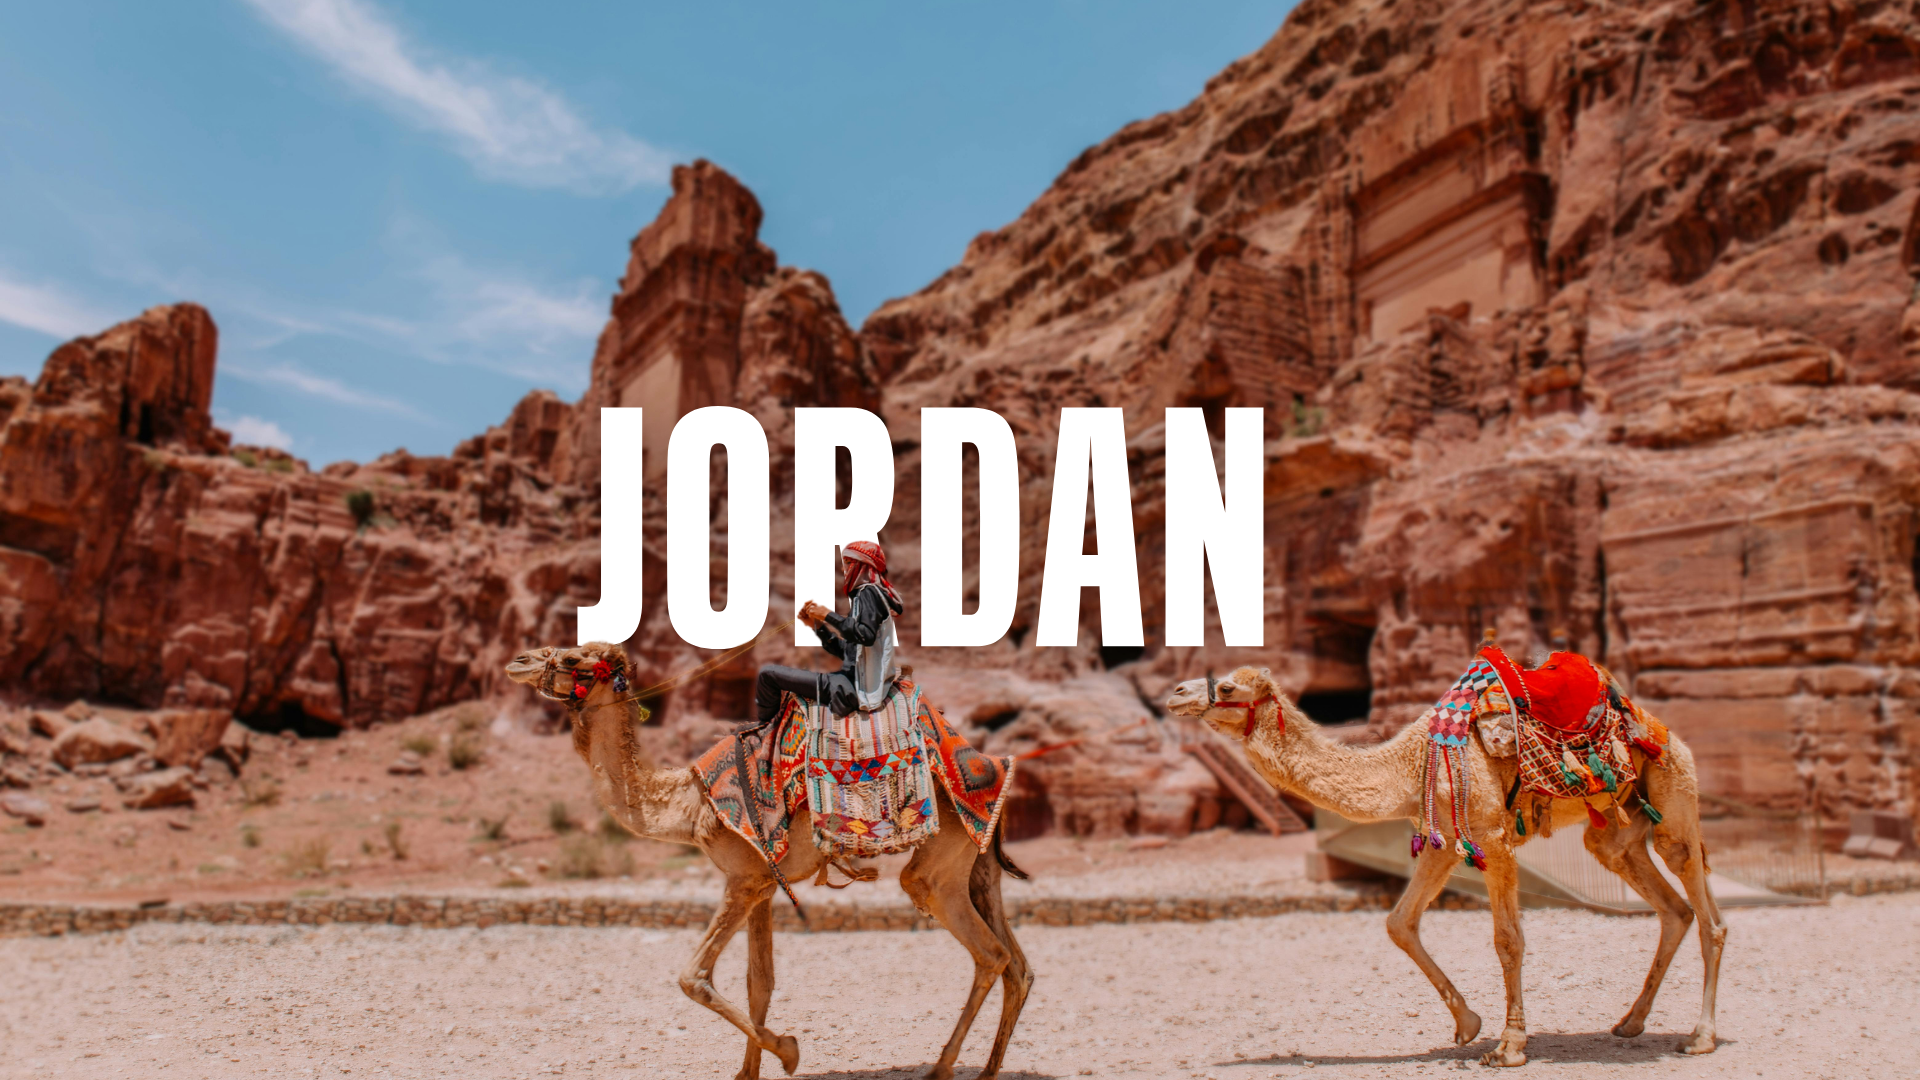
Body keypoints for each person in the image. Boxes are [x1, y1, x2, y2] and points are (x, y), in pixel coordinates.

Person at [752, 540, 905, 722]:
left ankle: (765, 729)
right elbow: (846, 651)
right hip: (845, 683)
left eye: (848, 563)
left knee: (767, 674)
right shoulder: (866, 597)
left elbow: (865, 635)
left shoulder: (868, 592)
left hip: (847, 688)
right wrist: (817, 626)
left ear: (863, 565)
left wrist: (827, 615)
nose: (843, 569)